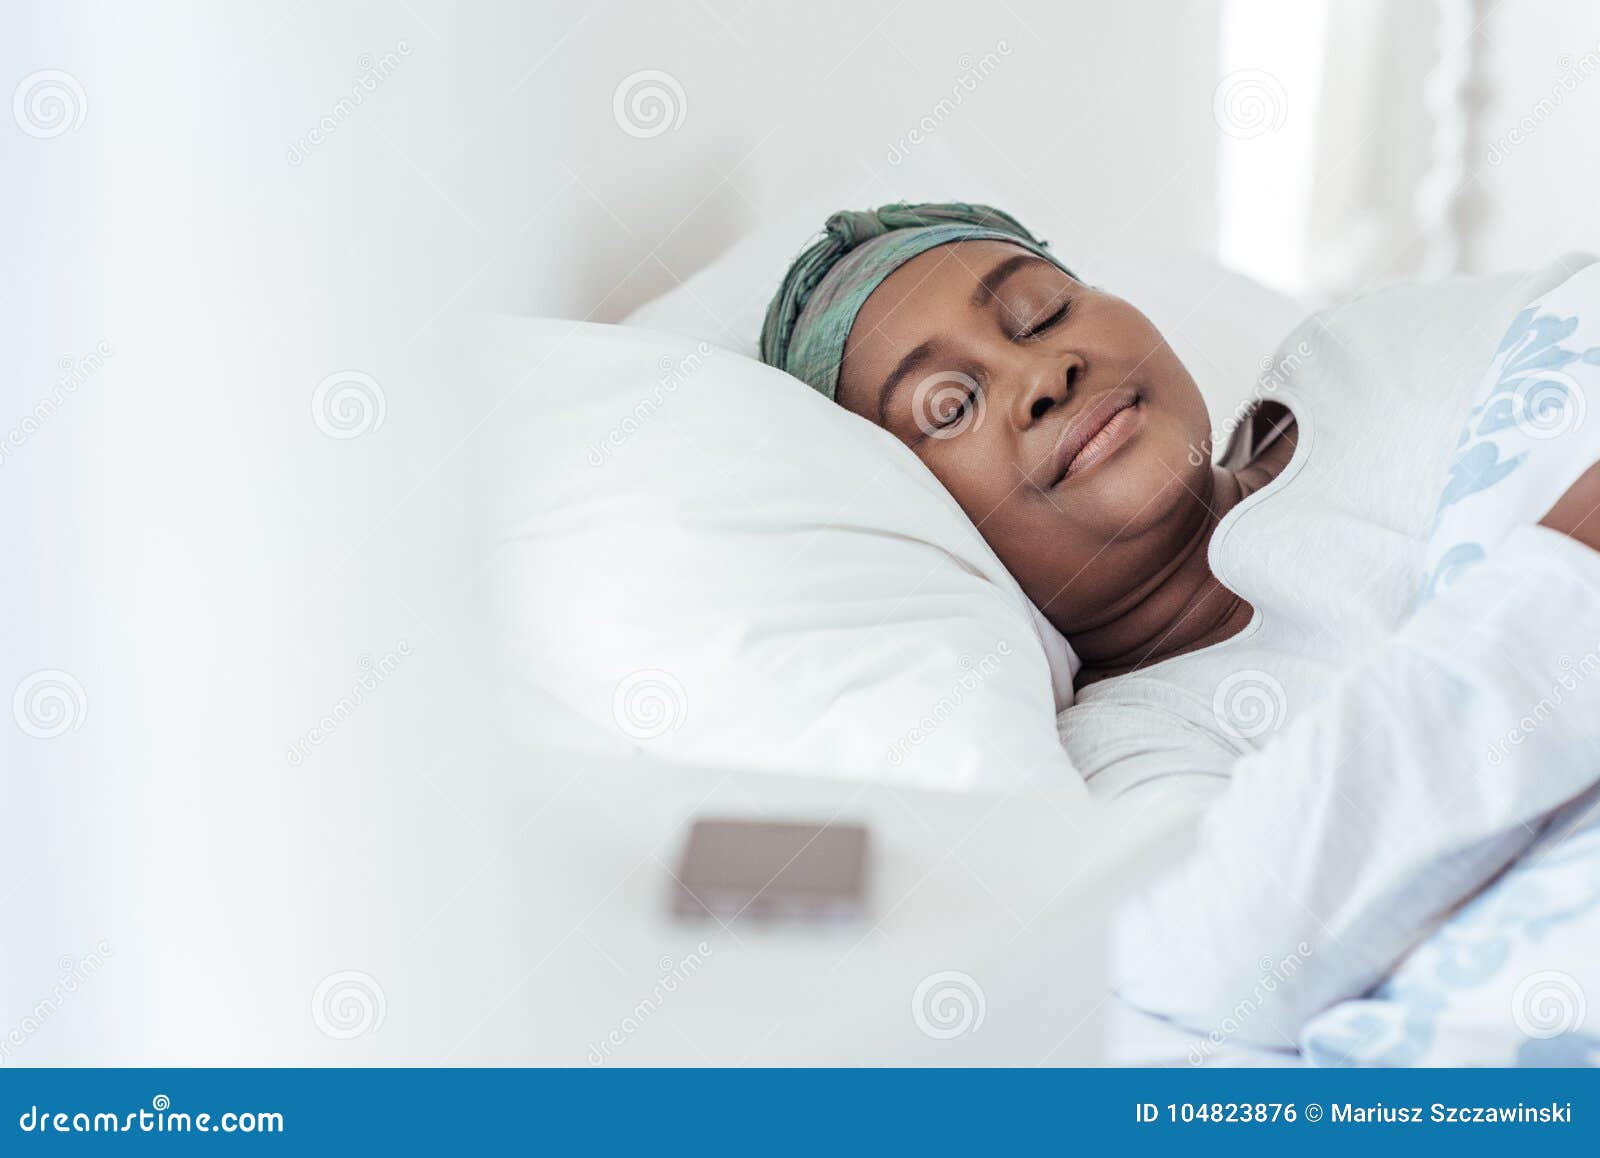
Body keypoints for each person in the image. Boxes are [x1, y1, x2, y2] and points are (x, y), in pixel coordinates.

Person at [760, 202, 1600, 1047]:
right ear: (925, 514)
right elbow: (1227, 954)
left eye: (1042, 312)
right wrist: (1565, 574)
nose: (1044, 376)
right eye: (948, 409)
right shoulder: (1132, 753)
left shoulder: (1365, 353)